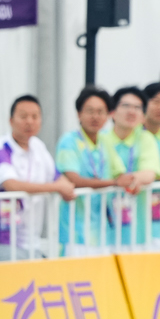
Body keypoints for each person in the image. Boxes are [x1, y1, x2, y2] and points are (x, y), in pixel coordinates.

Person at [0, 95, 76, 260]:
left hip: (32, 240)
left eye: (35, 117)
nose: (29, 122)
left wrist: (65, 186)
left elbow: (56, 177)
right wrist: (57, 188)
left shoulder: (38, 147)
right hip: (1, 239)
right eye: (23, 116)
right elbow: (11, 185)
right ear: (11, 120)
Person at [56, 86, 122, 247]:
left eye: (101, 112)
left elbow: (119, 173)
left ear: (108, 115)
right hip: (75, 227)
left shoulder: (105, 140)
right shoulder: (69, 141)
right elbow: (73, 180)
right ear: (79, 114)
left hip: (102, 226)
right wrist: (112, 183)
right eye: (90, 111)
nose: (95, 117)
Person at [107, 86, 160, 245]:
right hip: (105, 226)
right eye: (125, 106)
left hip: (139, 226)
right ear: (112, 112)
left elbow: (150, 172)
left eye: (137, 108)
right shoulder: (102, 139)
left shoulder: (146, 138)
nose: (131, 111)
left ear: (143, 117)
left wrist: (132, 180)